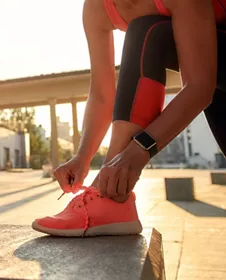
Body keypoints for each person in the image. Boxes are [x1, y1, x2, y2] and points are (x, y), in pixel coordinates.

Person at [33, 0, 226, 237]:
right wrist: (83, 157)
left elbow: (199, 86)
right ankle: (111, 197)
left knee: (146, 31)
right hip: (218, 75)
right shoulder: (96, 8)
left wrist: (138, 150)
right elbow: (103, 96)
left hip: (211, 72)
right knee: (145, 31)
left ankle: (110, 198)